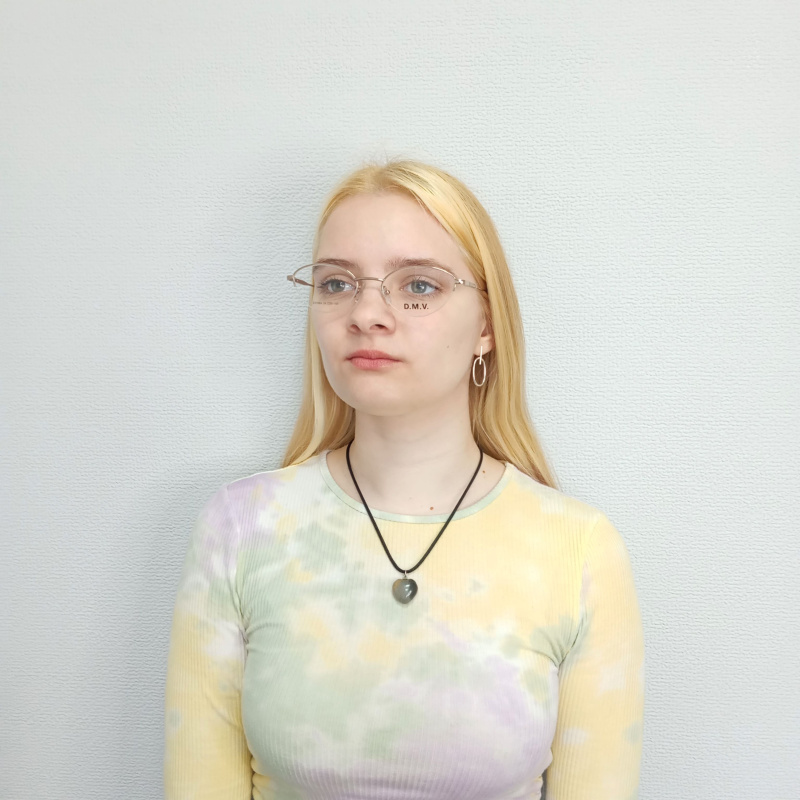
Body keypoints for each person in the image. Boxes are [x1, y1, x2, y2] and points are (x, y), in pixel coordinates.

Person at [163, 159, 645, 799]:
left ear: (487, 325)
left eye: (418, 285)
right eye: (337, 283)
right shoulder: (241, 530)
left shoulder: (577, 549)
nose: (367, 313)